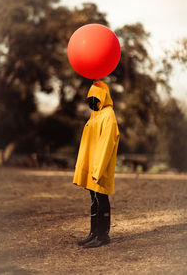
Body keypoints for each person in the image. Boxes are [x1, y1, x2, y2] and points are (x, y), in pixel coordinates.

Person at [73, 80, 120, 248]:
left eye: (95, 98)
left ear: (103, 96)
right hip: (92, 167)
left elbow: (106, 144)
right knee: (94, 199)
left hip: (100, 168)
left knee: (101, 199)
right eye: (90, 99)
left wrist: (98, 170)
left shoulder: (109, 115)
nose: (92, 102)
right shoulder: (96, 115)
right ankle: (93, 233)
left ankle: (103, 235)